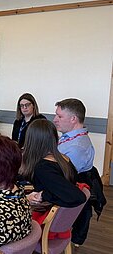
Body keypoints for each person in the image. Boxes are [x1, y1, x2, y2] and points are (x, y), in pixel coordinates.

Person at [53, 98, 100, 245]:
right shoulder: (69, 137)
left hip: (72, 184)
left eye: (59, 116)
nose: (55, 120)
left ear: (73, 119)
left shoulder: (77, 147)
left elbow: (61, 177)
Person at [19, 119, 86, 212]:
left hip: (41, 213)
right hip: (56, 214)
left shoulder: (43, 168)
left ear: (31, 141)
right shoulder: (63, 159)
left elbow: (77, 197)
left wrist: (42, 196)